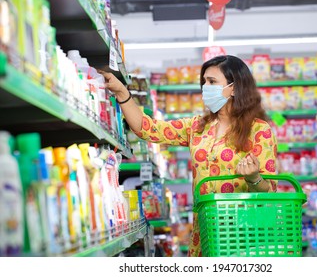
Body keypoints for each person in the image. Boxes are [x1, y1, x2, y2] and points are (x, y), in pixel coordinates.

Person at [101, 55, 278, 257]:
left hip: (243, 233)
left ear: (234, 88)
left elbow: (269, 190)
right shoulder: (197, 127)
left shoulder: (258, 130)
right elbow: (147, 128)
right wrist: (122, 92)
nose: (205, 87)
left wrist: (254, 177)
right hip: (204, 229)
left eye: (212, 82)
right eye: (204, 82)